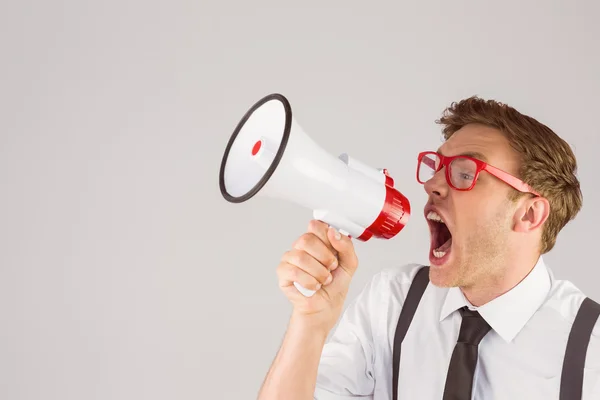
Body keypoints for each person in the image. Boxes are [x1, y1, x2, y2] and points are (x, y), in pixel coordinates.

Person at [256, 97, 599, 399]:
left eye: (466, 173)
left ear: (528, 213)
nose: (433, 184)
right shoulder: (393, 301)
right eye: (438, 167)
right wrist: (311, 322)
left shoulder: (591, 347)